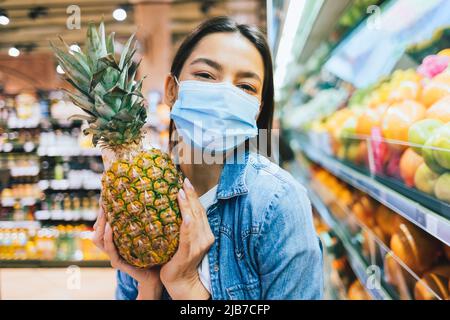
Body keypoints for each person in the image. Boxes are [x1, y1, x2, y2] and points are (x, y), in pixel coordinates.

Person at [93, 16, 323, 300]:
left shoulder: (279, 204)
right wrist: (148, 286)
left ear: (257, 109)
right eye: (205, 75)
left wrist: (188, 288)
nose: (225, 93)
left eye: (246, 87)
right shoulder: (136, 194)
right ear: (172, 91)